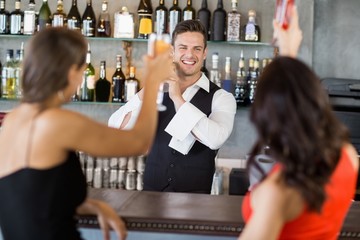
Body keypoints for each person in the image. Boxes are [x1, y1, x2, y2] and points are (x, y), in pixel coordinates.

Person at [0, 28, 173, 240]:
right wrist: (153, 81)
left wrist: (85, 205)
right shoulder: (56, 122)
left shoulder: (14, 120)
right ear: (72, 72)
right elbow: (138, 142)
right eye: (82, 71)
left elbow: (30, 195)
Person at [239, 6, 359, 240]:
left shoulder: (278, 192)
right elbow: (294, 98)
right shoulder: (347, 156)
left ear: (267, 114)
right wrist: (287, 49)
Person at [108, 20, 237, 194]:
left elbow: (215, 139)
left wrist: (177, 98)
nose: (189, 55)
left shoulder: (222, 98)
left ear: (205, 53)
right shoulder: (155, 94)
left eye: (197, 49)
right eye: (183, 47)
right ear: (172, 51)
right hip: (150, 197)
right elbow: (116, 129)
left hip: (196, 202)